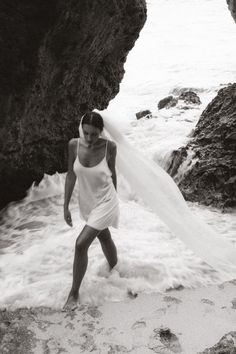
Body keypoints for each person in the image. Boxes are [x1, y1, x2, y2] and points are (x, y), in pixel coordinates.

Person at [63, 111, 119, 311]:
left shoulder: (109, 147)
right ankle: (116, 270)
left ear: (101, 132)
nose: (89, 138)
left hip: (106, 200)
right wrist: (65, 206)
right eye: (86, 133)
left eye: (94, 134)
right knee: (104, 237)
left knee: (81, 244)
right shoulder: (73, 145)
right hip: (88, 200)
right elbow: (71, 176)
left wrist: (114, 202)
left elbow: (113, 176)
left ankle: (74, 293)